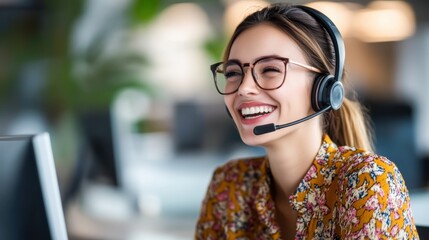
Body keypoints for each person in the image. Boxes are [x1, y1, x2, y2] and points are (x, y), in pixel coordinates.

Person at [195, 3, 419, 239]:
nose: (244, 88)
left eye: (270, 69)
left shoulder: (368, 182)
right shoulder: (229, 184)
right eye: (233, 73)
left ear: (323, 89)